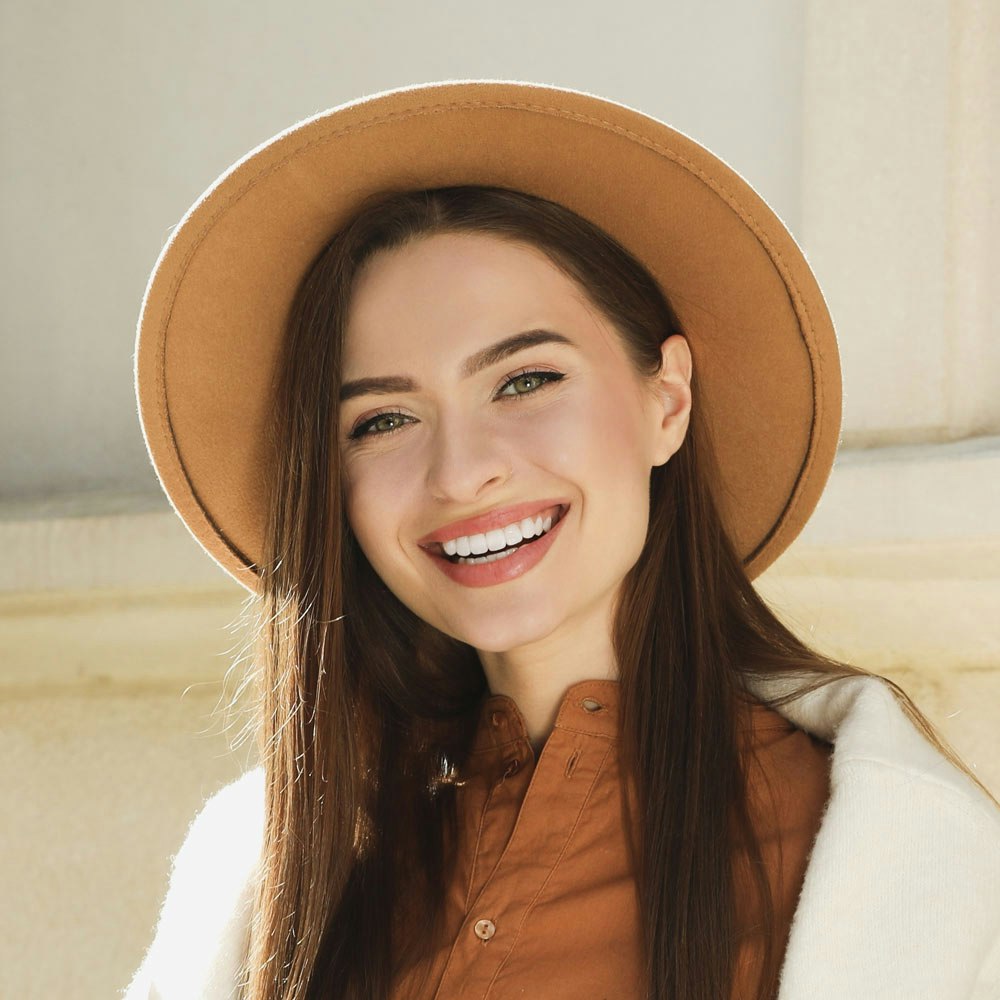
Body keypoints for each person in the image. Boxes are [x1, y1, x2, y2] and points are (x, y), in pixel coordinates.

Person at [125, 81, 1000, 1000]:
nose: (460, 472)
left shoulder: (879, 857)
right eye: (382, 421)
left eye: (525, 380)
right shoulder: (267, 870)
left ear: (667, 402)